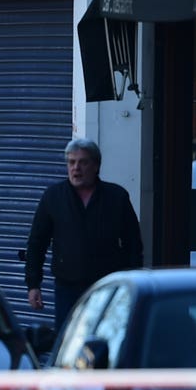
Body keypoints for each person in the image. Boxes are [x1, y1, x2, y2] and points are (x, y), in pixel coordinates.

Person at [25, 137, 143, 332]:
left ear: (96, 166)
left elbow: (133, 245)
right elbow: (37, 243)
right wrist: (33, 284)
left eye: (83, 162)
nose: (76, 168)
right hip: (67, 290)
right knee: (69, 342)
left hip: (108, 288)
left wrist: (131, 285)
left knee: (106, 342)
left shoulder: (116, 197)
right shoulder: (54, 197)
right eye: (71, 162)